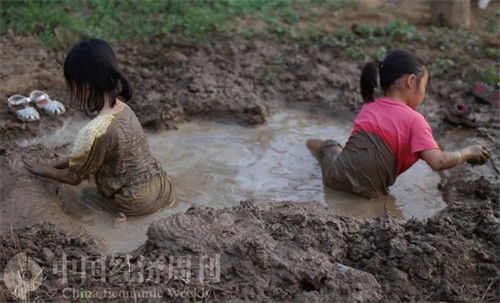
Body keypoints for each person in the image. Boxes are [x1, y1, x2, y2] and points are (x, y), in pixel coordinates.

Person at [307, 49, 490, 199]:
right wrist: (468, 152)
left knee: (332, 147)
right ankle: (313, 144)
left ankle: (310, 143)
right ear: (411, 81)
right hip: (371, 193)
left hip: (335, 179)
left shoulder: (370, 106)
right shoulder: (415, 121)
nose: (423, 95)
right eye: (424, 88)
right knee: (332, 145)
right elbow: (439, 162)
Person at [24, 39, 174, 221]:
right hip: (162, 189)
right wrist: (54, 165)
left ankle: (117, 217)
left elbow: (74, 178)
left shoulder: (93, 130)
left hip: (133, 203)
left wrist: (43, 170)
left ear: (83, 85)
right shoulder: (124, 109)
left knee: (85, 196)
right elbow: (89, 155)